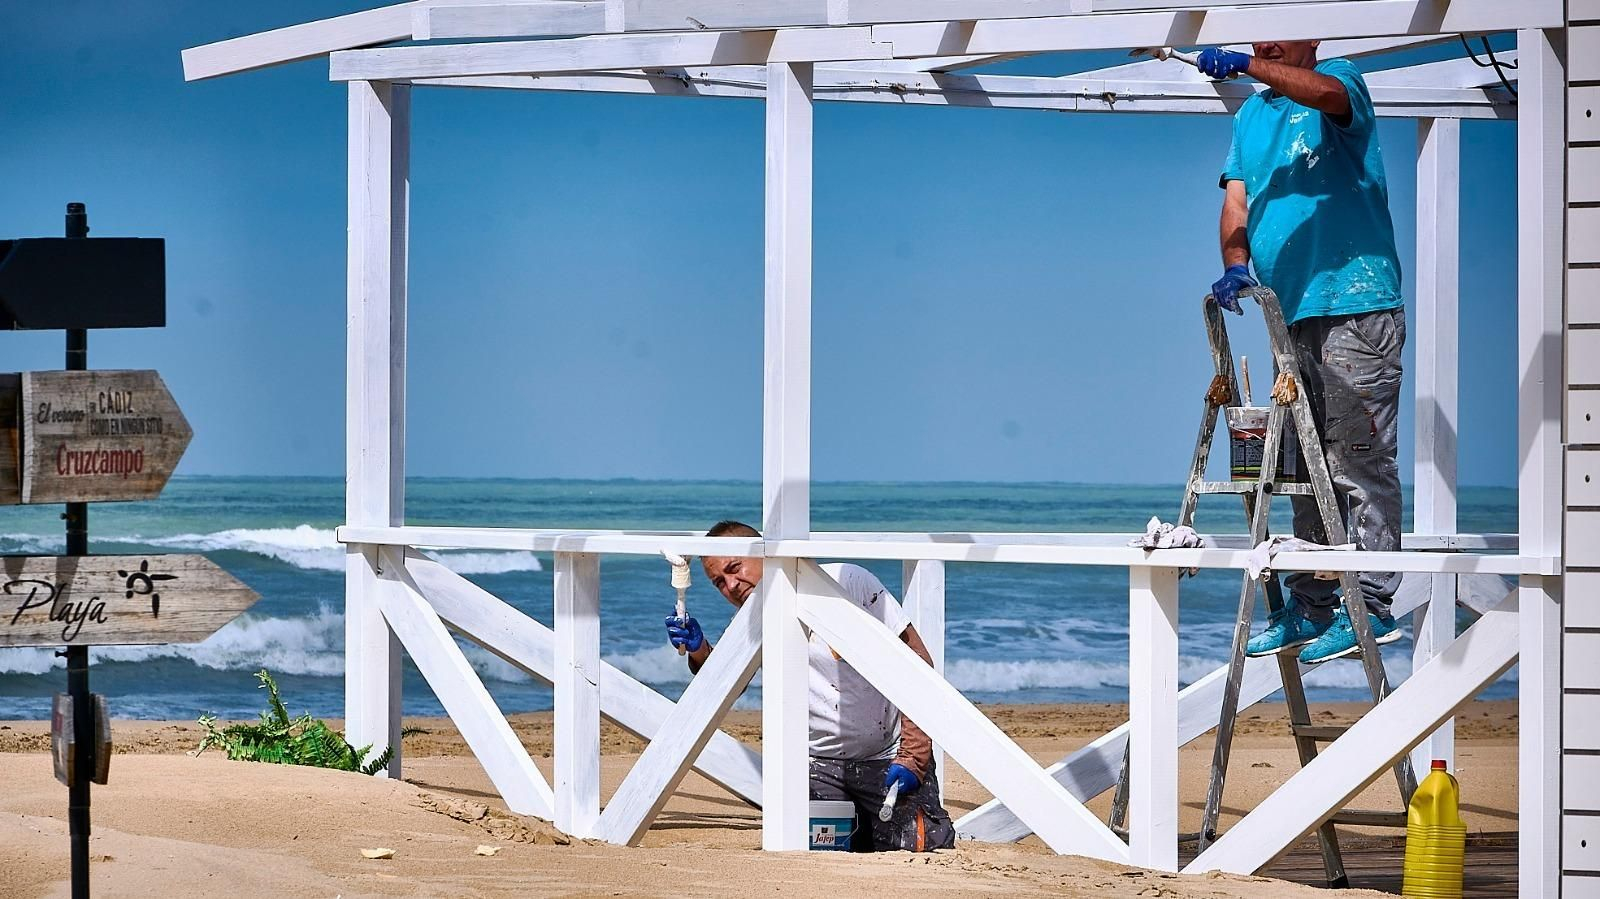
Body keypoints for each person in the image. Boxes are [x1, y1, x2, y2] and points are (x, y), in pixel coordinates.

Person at [1196, 41, 1406, 665]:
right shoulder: (1252, 117)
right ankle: (1312, 604)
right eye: (1256, 38)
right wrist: (1236, 264)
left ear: (1315, 36)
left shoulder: (1339, 80)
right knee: (1299, 461)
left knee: (1357, 454)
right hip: (1287, 311)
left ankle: (1368, 604)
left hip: (1354, 301)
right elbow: (1237, 200)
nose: (1263, 45)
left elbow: (1327, 96)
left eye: (1277, 35)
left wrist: (1250, 66)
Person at [665, 520, 955, 852]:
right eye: (719, 582)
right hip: (817, 768)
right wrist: (700, 650)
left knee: (923, 847)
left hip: (888, 758)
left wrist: (913, 757)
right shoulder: (749, 622)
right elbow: (731, 686)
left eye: (735, 568)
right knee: (821, 859)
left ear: (763, 552)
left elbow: (917, 664)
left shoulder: (849, 583)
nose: (731, 585)